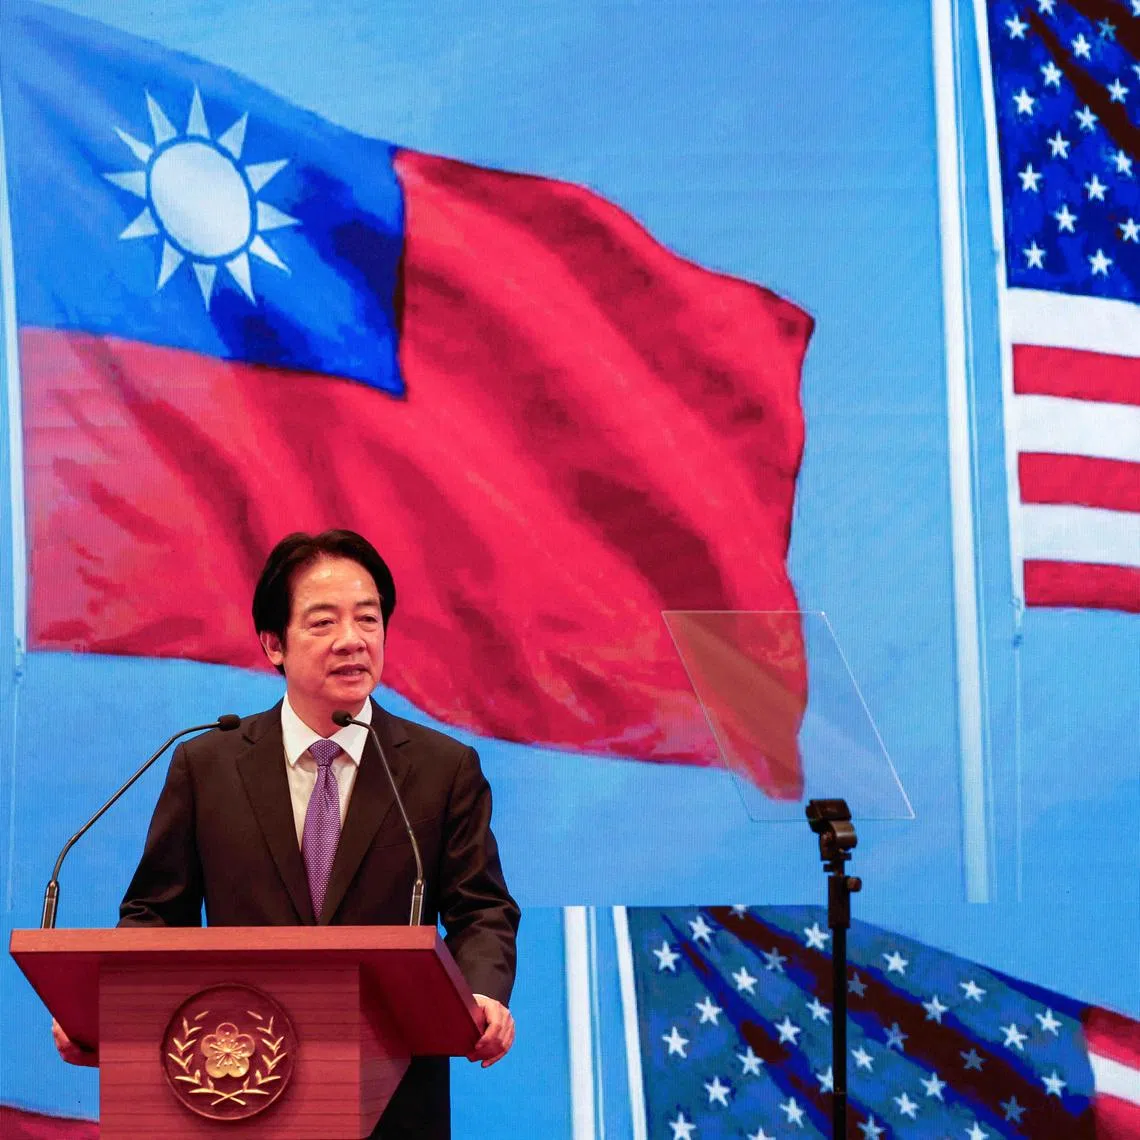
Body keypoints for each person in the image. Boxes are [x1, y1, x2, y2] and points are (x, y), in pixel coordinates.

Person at [53, 529, 520, 1140]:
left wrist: (480, 996)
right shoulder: (207, 766)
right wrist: (105, 1012)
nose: (353, 640)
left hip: (394, 1103)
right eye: (323, 622)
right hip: (235, 1093)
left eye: (369, 619)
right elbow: (154, 915)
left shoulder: (441, 768)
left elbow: (481, 909)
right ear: (273, 644)